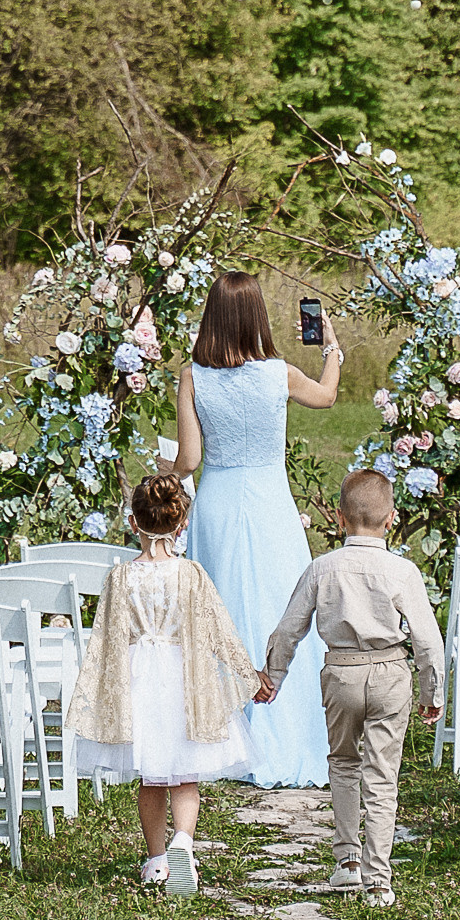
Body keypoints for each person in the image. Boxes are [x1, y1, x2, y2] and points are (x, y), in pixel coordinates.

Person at [161, 270, 342, 786]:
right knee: (282, 608)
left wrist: (165, 473)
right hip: (270, 502)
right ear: (258, 316)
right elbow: (327, 397)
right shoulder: (280, 373)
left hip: (218, 499)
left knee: (220, 608)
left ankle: (223, 737)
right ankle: (286, 727)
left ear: (211, 318)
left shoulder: (193, 375)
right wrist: (332, 349)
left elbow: (190, 458)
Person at [256, 469, 444, 909]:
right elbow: (428, 640)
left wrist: (274, 676)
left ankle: (347, 862)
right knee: (382, 776)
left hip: (341, 672)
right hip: (390, 674)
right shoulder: (402, 571)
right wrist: (430, 693)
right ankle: (380, 879)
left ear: (340, 518)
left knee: (342, 764)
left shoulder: (322, 568)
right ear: (391, 519)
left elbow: (289, 630)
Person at [68, 473, 260, 898]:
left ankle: (157, 860)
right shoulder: (191, 574)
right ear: (182, 525)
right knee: (184, 775)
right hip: (183, 680)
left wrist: (95, 693)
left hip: (138, 680)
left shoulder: (120, 577)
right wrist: (249, 676)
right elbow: (218, 630)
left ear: (132, 524)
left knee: (150, 778)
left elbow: (106, 638)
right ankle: (184, 846)